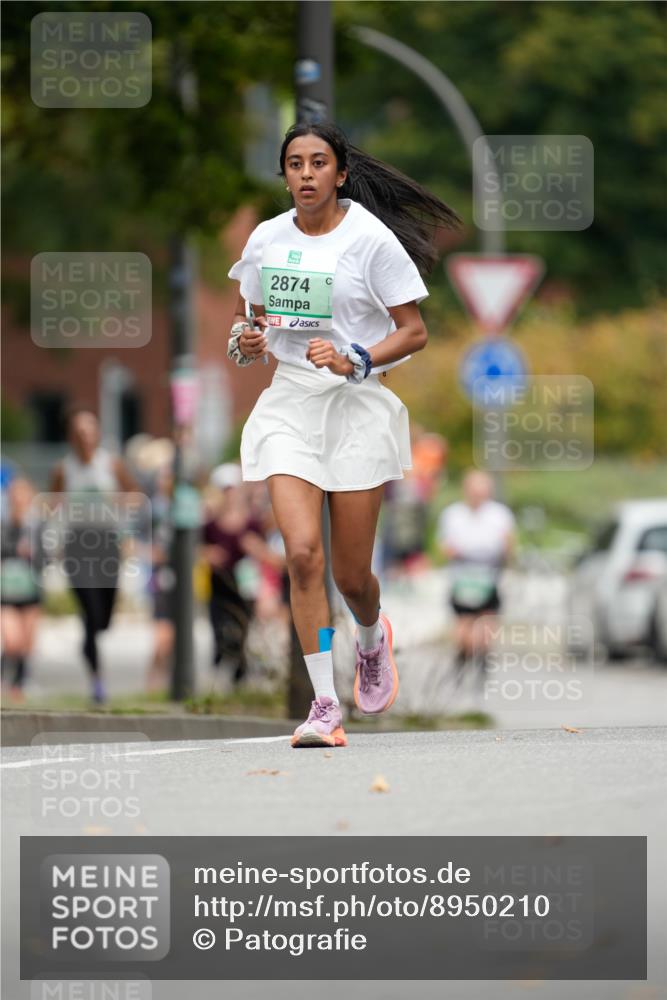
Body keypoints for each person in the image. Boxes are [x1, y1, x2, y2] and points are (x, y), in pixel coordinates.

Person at [226, 120, 461, 748]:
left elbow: (413, 331)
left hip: (355, 407)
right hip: (290, 406)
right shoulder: (267, 239)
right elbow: (252, 324)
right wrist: (247, 341)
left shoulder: (370, 240)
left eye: (318, 162)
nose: (306, 174)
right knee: (302, 555)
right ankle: (324, 705)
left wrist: (356, 357)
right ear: (285, 175)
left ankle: (370, 638)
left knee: (352, 576)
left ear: (341, 173)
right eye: (295, 164)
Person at [50, 406, 138, 704]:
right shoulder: (63, 469)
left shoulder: (111, 465)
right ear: (72, 437)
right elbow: (53, 506)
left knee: (103, 618)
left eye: (90, 430)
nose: (85, 437)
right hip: (77, 543)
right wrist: (56, 541)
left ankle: (91, 644)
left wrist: (125, 525)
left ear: (98, 434)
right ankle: (97, 680)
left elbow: (134, 496)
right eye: (79, 432)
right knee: (90, 608)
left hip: (107, 543)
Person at [202, 463, 282, 687]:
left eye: (232, 489)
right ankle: (218, 675)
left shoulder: (253, 523)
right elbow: (197, 549)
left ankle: (240, 678)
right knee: (219, 630)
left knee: (243, 632)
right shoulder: (210, 524)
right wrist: (208, 554)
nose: (230, 495)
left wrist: (255, 549)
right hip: (219, 586)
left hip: (245, 587)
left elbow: (267, 556)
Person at [437, 470, 516, 681]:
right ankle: (463, 657)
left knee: (486, 622)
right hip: (462, 576)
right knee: (464, 624)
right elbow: (445, 546)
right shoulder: (453, 514)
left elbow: (508, 544)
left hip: (489, 574)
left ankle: (482, 660)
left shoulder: (499, 515)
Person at [1, 477, 43, 702]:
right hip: (7, 590)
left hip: (31, 590)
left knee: (26, 644)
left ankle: (18, 684)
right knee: (12, 640)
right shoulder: (4, 524)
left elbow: (47, 556)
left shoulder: (37, 525)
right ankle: (5, 677)